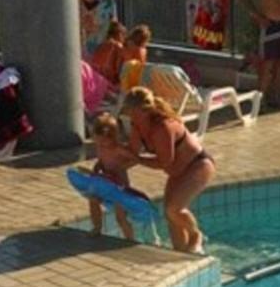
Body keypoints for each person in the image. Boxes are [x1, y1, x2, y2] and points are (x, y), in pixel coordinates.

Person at [122, 86, 215, 253]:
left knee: (174, 209)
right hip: (177, 171)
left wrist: (139, 160)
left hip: (198, 165)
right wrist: (110, 164)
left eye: (134, 113)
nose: (131, 117)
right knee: (170, 215)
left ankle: (196, 235)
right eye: (130, 113)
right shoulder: (137, 125)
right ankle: (181, 252)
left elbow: (165, 162)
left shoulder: (162, 127)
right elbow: (132, 154)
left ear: (146, 110)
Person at [88, 112, 140, 240]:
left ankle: (130, 239)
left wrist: (121, 167)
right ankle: (97, 227)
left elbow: (136, 159)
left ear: (113, 137)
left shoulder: (118, 149)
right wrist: (97, 168)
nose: (101, 144)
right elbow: (102, 160)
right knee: (93, 199)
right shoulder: (100, 147)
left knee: (120, 217)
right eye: (98, 141)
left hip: (120, 186)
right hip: (106, 182)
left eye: (103, 141)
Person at [91, 20, 127, 84]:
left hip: (96, 80)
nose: (124, 38)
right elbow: (119, 71)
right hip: (109, 82)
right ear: (119, 34)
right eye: (123, 34)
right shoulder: (117, 46)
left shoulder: (100, 46)